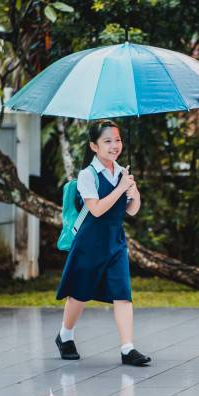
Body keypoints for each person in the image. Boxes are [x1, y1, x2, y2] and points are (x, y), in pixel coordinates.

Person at [54, 119, 151, 366]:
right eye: (107, 141)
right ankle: (65, 335)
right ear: (94, 146)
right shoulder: (87, 175)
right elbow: (96, 210)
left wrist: (133, 192)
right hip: (89, 242)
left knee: (123, 294)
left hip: (115, 242)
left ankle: (128, 348)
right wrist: (120, 189)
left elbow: (131, 211)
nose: (114, 145)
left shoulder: (121, 172)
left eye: (117, 140)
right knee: (79, 294)